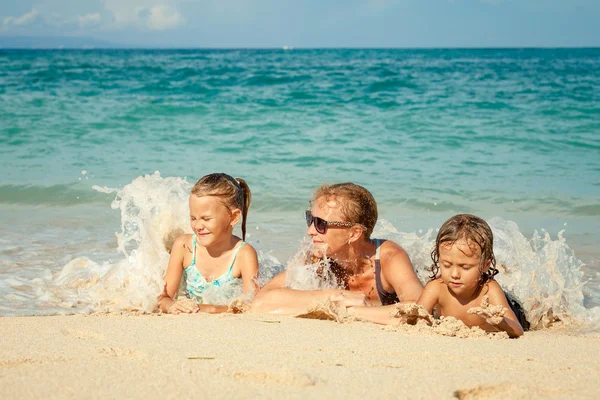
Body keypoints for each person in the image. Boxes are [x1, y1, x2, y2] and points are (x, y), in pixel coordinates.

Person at [251, 182, 423, 315]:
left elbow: (419, 308)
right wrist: (334, 296)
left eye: (320, 224)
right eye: (310, 219)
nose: (310, 231)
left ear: (354, 233)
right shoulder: (316, 257)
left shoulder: (390, 258)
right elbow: (261, 301)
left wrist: (351, 311)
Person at [359, 214, 527, 337]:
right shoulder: (436, 288)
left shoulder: (489, 290)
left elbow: (518, 330)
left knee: (531, 313)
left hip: (513, 309)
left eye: (465, 267)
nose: (454, 274)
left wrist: (500, 321)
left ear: (485, 265)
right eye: (446, 265)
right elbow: (417, 319)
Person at [158, 173, 259, 314]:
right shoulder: (184, 246)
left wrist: (210, 309)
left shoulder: (243, 255)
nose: (198, 226)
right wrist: (172, 306)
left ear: (234, 217)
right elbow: (163, 297)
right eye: (193, 218)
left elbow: (251, 306)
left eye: (206, 219)